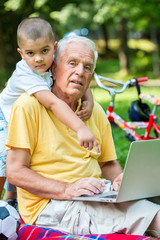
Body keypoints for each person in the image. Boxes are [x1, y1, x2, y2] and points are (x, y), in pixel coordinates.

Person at [6, 35, 160, 238]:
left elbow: (108, 164)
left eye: (87, 67)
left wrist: (120, 181)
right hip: (52, 204)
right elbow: (15, 172)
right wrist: (66, 189)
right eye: (72, 63)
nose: (80, 72)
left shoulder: (94, 110)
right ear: (53, 67)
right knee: (155, 216)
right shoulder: (28, 106)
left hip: (96, 194)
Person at [0, 18, 99, 202]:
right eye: (30, 53)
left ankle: (12, 204)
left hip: (22, 117)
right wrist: (80, 128)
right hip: (4, 119)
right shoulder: (25, 75)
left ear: (54, 47)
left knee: (23, 159)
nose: (38, 58)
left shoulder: (52, 61)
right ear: (21, 53)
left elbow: (82, 80)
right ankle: (5, 203)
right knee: (6, 164)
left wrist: (89, 101)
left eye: (44, 51)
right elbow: (53, 103)